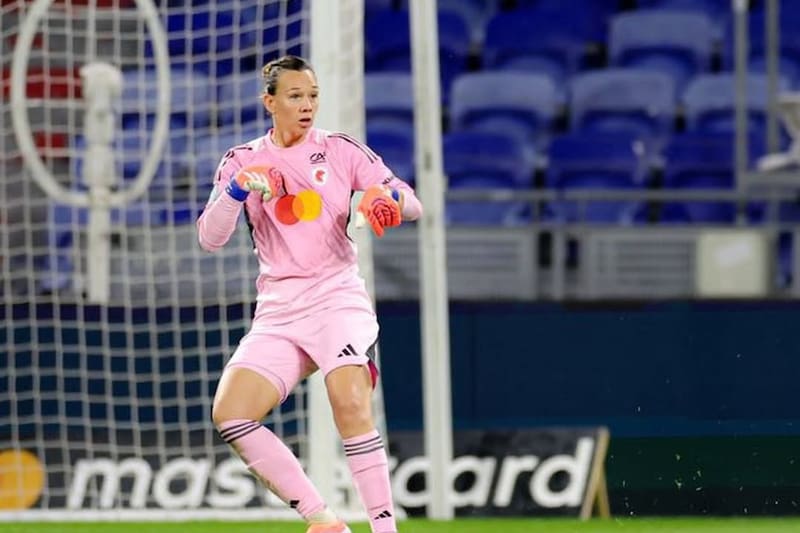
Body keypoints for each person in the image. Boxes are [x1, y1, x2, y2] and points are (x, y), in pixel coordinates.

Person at [196, 55, 422, 533]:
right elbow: (209, 238)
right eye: (296, 96)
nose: (307, 105)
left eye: (313, 96)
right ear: (269, 102)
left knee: (349, 401)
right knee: (231, 414)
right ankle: (324, 520)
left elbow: (412, 203)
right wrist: (236, 190)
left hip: (337, 299)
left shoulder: (339, 150)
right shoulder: (242, 160)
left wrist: (386, 198)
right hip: (279, 311)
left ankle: (385, 530)